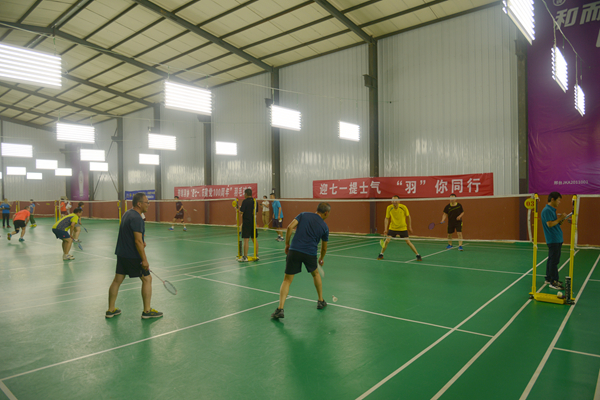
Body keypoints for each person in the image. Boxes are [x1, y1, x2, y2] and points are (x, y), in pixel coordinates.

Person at [106, 193, 162, 319]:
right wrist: (144, 260)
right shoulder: (137, 218)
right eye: (147, 202)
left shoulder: (127, 213)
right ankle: (147, 311)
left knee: (117, 280)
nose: (148, 205)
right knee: (147, 279)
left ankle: (110, 310)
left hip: (122, 253)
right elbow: (137, 241)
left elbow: (131, 235)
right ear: (139, 204)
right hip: (132, 255)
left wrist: (141, 241)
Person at [271, 202, 331, 319]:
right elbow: (324, 248)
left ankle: (280, 309)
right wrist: (321, 258)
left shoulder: (303, 215)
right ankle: (320, 301)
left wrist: (287, 244)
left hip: (294, 251)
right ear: (326, 213)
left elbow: (289, 227)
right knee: (316, 274)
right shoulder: (324, 227)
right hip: (310, 254)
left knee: (287, 280)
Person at [378, 195, 422, 261]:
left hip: (402, 228)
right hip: (393, 227)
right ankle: (381, 254)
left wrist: (409, 227)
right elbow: (386, 218)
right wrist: (385, 228)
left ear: (399, 201)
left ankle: (417, 255)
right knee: (387, 240)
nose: (394, 201)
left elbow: (408, 217)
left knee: (408, 242)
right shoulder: (389, 208)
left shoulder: (403, 207)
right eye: (393, 200)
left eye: (395, 200)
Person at [541, 192, 570, 290]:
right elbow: (549, 224)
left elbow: (555, 224)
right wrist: (560, 218)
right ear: (552, 199)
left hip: (557, 238)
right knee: (554, 261)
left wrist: (561, 220)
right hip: (553, 239)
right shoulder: (547, 210)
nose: (559, 202)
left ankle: (549, 278)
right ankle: (554, 282)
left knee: (551, 259)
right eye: (558, 200)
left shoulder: (551, 210)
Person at [239, 188, 259, 262]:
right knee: (254, 239)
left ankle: (245, 257)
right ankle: (256, 255)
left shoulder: (245, 201)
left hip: (247, 222)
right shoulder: (255, 201)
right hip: (253, 222)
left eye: (244, 194)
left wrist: (238, 210)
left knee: (246, 240)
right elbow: (256, 212)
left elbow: (241, 212)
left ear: (246, 194)